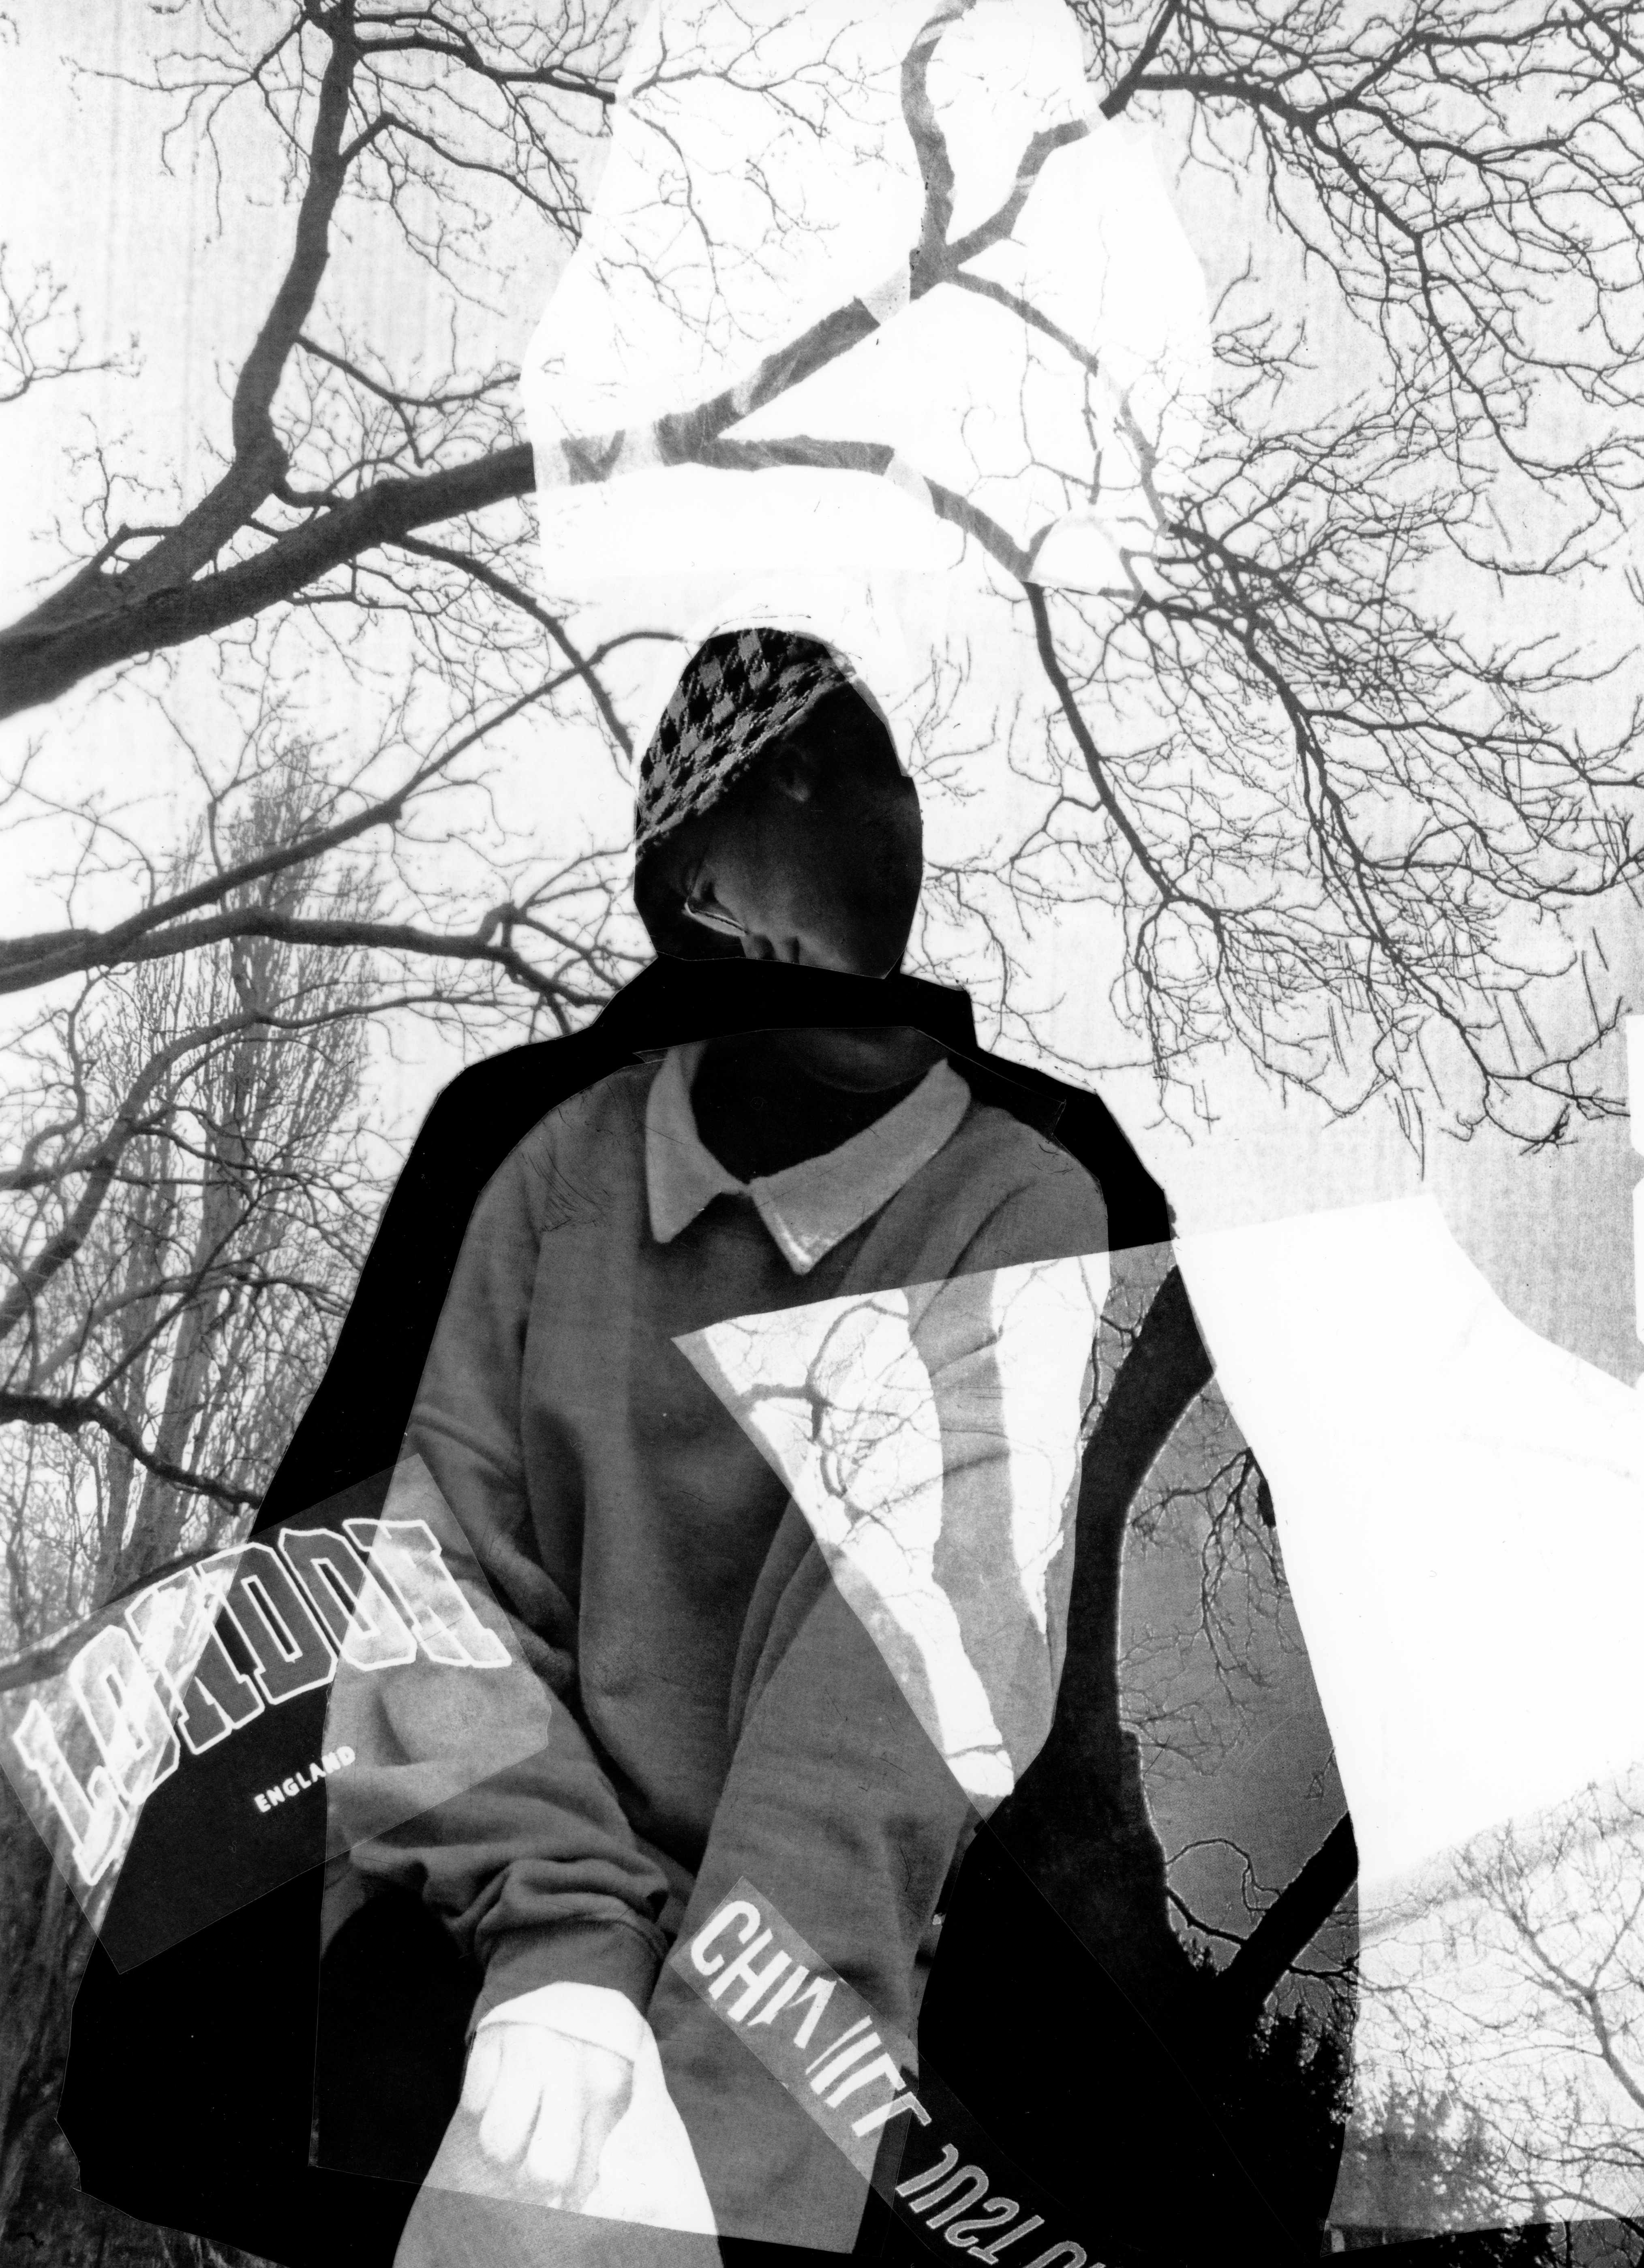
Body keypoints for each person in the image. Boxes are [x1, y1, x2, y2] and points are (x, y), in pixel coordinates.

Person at [59, 628, 1329, 2267]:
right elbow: (421, 1598)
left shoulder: (1032, 1196)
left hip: (859, 2094)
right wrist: (562, 1967)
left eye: (883, 770)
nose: (883, 811)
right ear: (697, 875)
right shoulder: (537, 1161)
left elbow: (897, 1707)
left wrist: (712, 2155)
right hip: (466, 2015)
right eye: (815, 768)